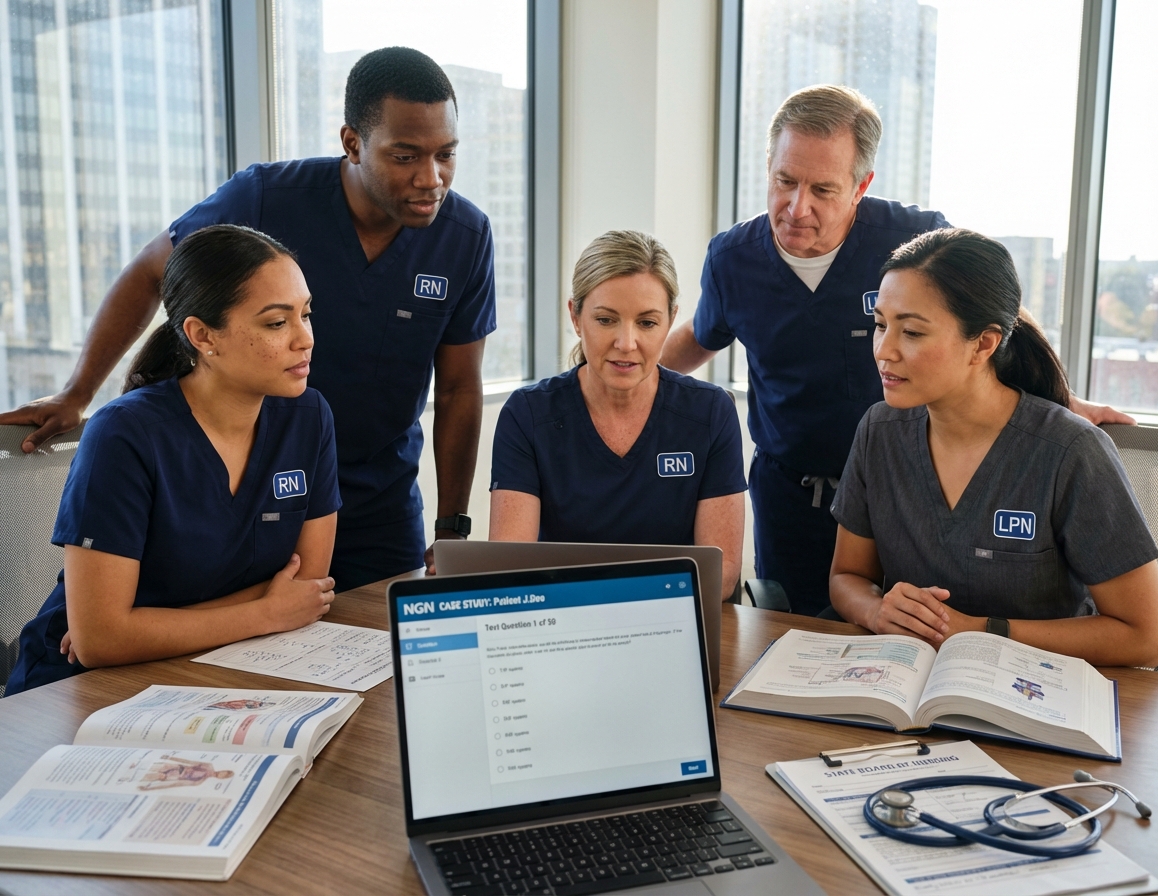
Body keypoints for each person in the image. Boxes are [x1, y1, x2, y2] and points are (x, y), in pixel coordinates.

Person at [0, 47, 494, 590]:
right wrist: (78, 392)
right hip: (258, 495)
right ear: (352, 142)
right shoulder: (264, 200)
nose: (432, 178)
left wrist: (451, 528)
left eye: (446, 153)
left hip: (380, 502)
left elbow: (458, 393)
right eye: (405, 156)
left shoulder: (465, 238)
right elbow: (150, 274)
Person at [660, 84, 1133, 616]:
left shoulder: (914, 239)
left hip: (901, 494)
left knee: (913, 630)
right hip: (792, 492)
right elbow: (700, 337)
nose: (797, 207)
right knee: (800, 636)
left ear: (862, 185)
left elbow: (989, 313)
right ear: (769, 165)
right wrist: (621, 372)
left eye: (823, 190)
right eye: (784, 181)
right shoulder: (733, 260)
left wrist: (1061, 399)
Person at [4, 225, 341, 695]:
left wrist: (137, 631)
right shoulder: (124, 434)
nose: (304, 339)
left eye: (306, 314)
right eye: (276, 323)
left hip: (217, 669)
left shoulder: (308, 417)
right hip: (79, 689)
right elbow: (99, 642)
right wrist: (263, 612)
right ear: (203, 335)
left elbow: (306, 585)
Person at [828, 229, 1158, 668]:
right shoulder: (880, 430)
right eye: (880, 325)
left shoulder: (1071, 452)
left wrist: (983, 632)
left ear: (984, 344)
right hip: (908, 683)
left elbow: (1145, 638)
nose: (883, 350)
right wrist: (876, 611)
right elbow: (846, 576)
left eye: (911, 331)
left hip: (1036, 695)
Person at [489, 231, 747, 600]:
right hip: (565, 627)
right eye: (606, 320)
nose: (626, 344)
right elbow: (510, 571)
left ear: (671, 319)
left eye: (647, 323)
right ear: (576, 317)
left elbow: (720, 577)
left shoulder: (709, 413)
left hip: (679, 625)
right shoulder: (528, 415)